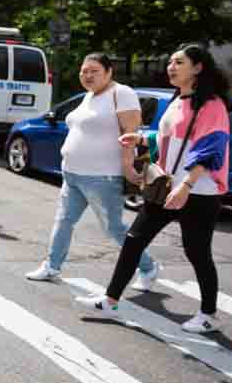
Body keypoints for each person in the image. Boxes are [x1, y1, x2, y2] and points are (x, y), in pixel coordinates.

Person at [76, 43, 231, 334]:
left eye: (179, 62)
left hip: (198, 191)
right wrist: (140, 138)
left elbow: (212, 149)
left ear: (198, 68)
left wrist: (186, 185)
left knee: (197, 252)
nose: (171, 67)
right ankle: (110, 300)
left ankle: (208, 314)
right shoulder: (177, 102)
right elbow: (165, 140)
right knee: (134, 240)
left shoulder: (212, 105)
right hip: (165, 186)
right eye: (170, 62)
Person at [26, 53, 160, 286]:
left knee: (114, 229)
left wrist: (128, 166)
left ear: (109, 72)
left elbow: (131, 134)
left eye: (94, 71)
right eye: (84, 71)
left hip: (103, 176)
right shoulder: (89, 96)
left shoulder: (122, 93)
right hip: (72, 174)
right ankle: (52, 265)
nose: (87, 75)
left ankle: (148, 267)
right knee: (64, 219)